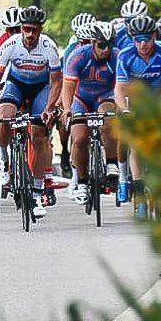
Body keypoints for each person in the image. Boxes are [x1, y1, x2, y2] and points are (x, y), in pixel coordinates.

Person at [0, 6, 62, 219]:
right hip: (15, 84)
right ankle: (3, 155)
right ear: (21, 28)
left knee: (39, 136)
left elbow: (56, 83)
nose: (30, 34)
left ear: (41, 29)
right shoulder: (10, 45)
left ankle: (36, 192)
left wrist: (49, 109)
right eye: (26, 29)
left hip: (41, 88)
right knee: (4, 115)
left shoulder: (48, 47)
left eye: (34, 30)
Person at [113, 13, 161, 218]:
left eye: (147, 38)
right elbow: (119, 90)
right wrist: (124, 110)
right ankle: (139, 194)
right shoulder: (125, 55)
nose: (143, 44)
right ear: (132, 39)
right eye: (138, 39)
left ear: (154, 36)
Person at [60, 20, 120, 205]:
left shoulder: (117, 57)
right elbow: (68, 87)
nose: (106, 50)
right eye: (102, 45)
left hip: (105, 96)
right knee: (79, 139)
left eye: (109, 44)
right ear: (93, 42)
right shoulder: (78, 56)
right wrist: (67, 108)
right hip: (81, 98)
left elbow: (122, 87)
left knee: (108, 119)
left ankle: (111, 161)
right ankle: (83, 182)